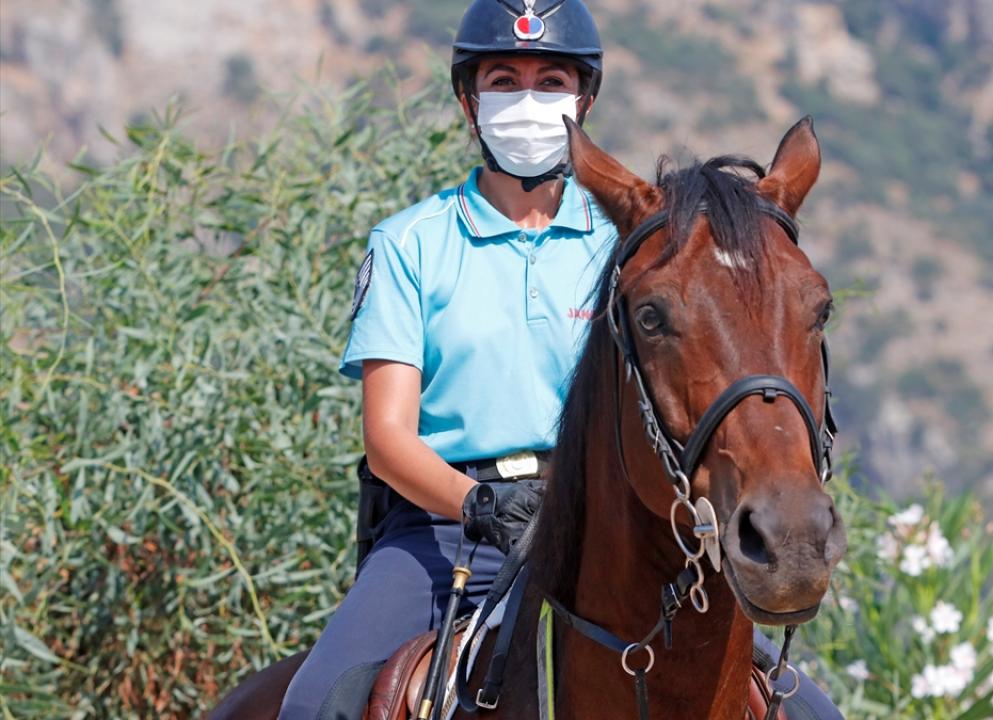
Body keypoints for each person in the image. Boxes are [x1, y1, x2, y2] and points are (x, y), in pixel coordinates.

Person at [277, 1, 844, 718]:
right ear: (469, 102)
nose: (527, 100)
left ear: (585, 101)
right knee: (319, 701)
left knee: (814, 711)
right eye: (503, 81)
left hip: (613, 529)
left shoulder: (637, 250)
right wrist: (478, 503)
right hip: (451, 533)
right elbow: (388, 441)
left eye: (551, 81)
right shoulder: (410, 243)